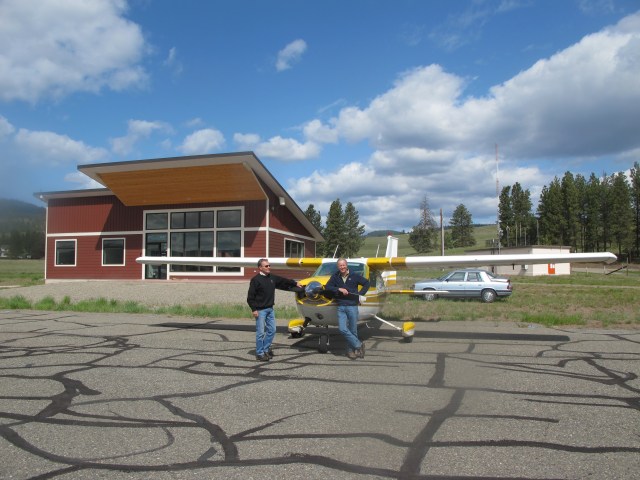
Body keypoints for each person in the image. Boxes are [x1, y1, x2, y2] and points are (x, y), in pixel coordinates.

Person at [247, 258, 301, 361]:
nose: (269, 267)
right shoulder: (255, 280)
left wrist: (295, 283)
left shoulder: (272, 277)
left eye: (269, 265)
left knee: (272, 330)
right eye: (266, 266)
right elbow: (250, 297)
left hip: (270, 309)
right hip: (260, 310)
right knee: (260, 333)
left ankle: (266, 349)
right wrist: (254, 309)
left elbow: (283, 280)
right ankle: (259, 353)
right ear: (260, 268)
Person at [325, 258, 370, 359]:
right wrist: (338, 289)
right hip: (341, 306)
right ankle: (358, 345)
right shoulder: (335, 276)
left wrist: (360, 295)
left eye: (343, 265)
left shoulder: (354, 275)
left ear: (346, 265)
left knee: (353, 330)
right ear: (338, 267)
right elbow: (328, 287)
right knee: (342, 329)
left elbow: (367, 283)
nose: (342, 267)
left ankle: (351, 351)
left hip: (352, 306)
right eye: (340, 265)